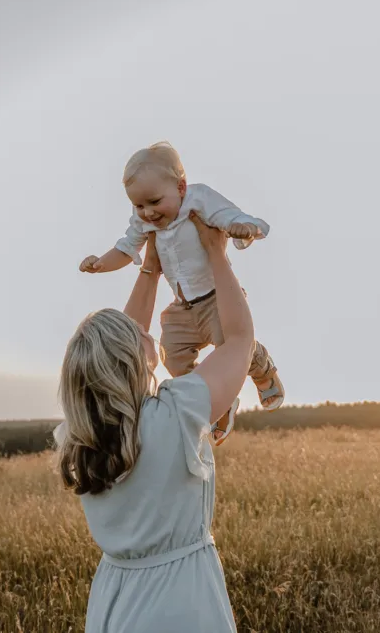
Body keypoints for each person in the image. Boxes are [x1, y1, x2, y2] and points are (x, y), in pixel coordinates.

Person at [56, 212, 254, 632]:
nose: (146, 332)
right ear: (134, 360)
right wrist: (218, 255)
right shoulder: (176, 414)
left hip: (114, 602)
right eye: (138, 337)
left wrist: (151, 266)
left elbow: (120, 344)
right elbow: (238, 341)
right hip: (182, 600)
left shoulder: (79, 438)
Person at [78, 140, 283, 443]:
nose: (147, 213)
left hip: (217, 299)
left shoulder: (199, 200)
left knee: (233, 347)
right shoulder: (144, 222)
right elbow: (126, 247)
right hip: (181, 307)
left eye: (154, 202)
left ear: (182, 187)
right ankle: (215, 399)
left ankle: (262, 368)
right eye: (138, 206)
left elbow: (230, 215)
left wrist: (244, 228)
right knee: (170, 357)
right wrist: (100, 264)